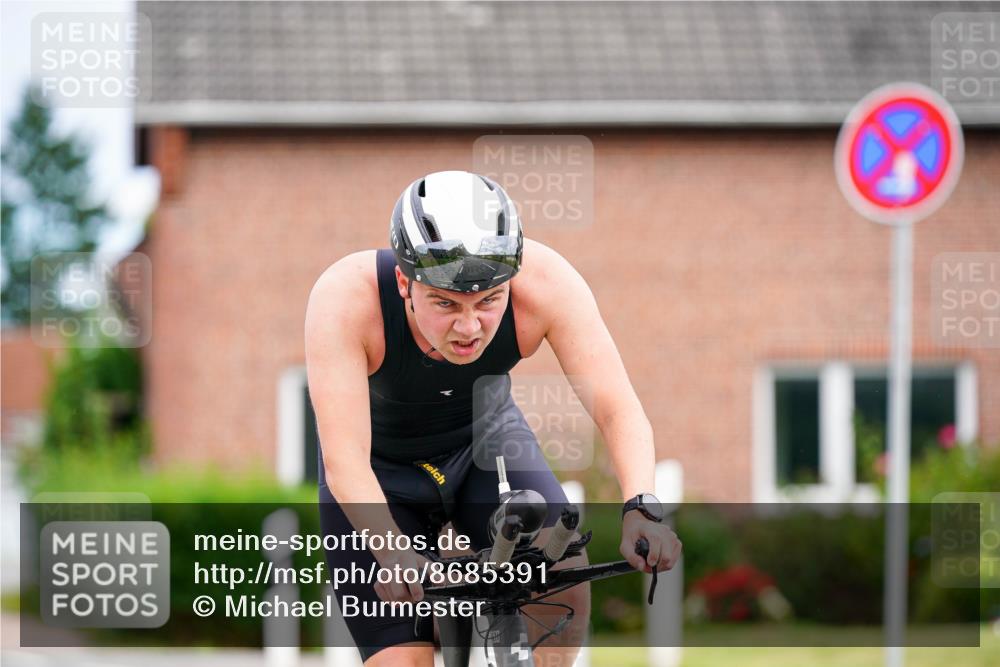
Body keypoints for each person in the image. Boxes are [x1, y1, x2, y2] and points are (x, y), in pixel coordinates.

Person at [305, 170, 681, 667]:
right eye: (445, 303)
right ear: (404, 281)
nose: (468, 327)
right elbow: (344, 459)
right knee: (401, 659)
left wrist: (642, 507)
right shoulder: (345, 299)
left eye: (488, 303)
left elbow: (618, 406)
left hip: (486, 446)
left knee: (562, 578)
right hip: (377, 475)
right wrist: (393, 552)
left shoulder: (546, 285)